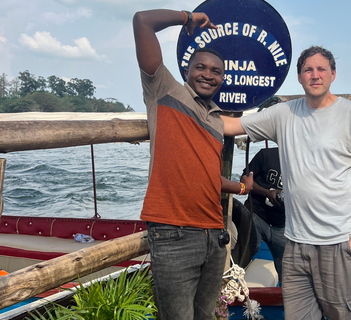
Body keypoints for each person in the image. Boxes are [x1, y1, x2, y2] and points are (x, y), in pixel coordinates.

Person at [222, 46, 351, 319]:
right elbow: (231, 126)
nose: (315, 75)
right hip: (296, 246)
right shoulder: (283, 114)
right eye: (308, 70)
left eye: (321, 69)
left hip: (342, 243)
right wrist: (192, 106)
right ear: (300, 78)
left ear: (333, 74)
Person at [133, 9, 253, 320]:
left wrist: (242, 187)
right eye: (200, 67)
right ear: (187, 71)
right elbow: (142, 21)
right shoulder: (165, 91)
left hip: (214, 235)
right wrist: (186, 17)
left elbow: (207, 177)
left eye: (216, 71)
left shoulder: (216, 120)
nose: (208, 75)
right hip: (173, 234)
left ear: (222, 79)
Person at [242, 147, 287, 283]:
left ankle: (285, 300)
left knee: (287, 269)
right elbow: (244, 178)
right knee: (246, 251)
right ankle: (229, 290)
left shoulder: (304, 165)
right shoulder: (266, 155)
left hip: (282, 224)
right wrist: (266, 192)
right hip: (256, 214)